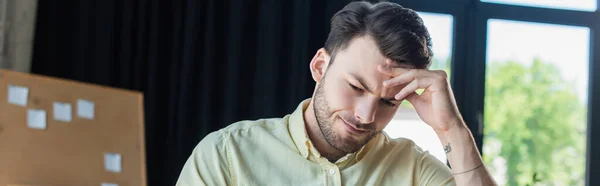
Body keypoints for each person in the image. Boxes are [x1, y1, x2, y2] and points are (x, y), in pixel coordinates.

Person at [177, 1, 497, 185]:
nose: (366, 115)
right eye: (356, 87)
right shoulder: (227, 155)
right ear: (320, 66)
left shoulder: (414, 170)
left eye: (388, 101)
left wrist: (451, 129)